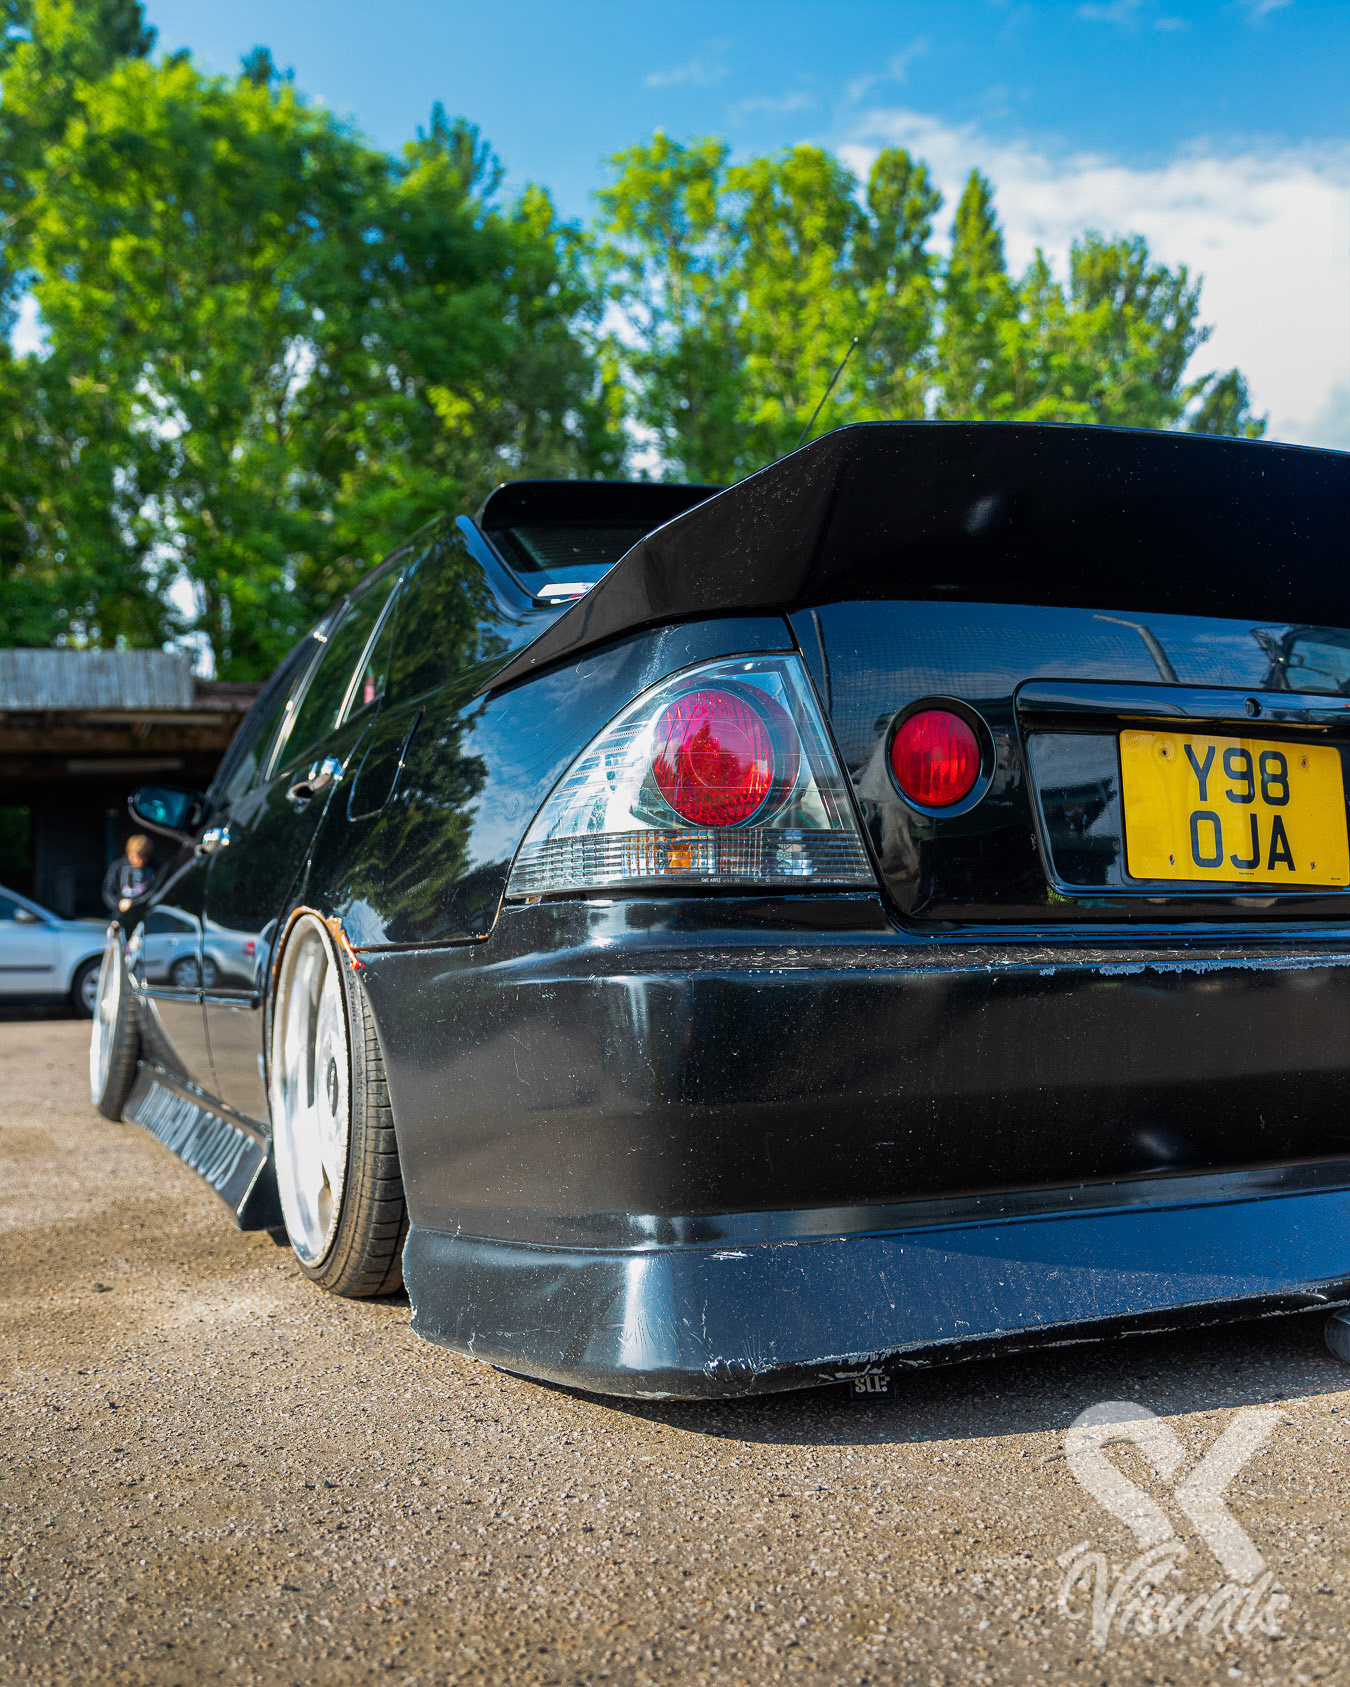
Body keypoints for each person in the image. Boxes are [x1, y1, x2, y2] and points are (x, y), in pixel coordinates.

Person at [102, 834, 155, 913]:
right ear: (129, 853)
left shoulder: (154, 867)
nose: (140, 861)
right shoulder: (117, 866)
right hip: (122, 915)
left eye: (144, 858)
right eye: (136, 857)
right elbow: (107, 890)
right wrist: (118, 904)